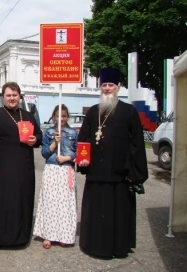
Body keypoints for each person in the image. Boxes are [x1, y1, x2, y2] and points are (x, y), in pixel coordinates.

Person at [77, 67, 148, 259]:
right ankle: (94, 246)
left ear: (118, 87)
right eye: (104, 85)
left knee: (117, 213)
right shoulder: (93, 112)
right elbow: (83, 139)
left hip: (119, 175)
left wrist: (133, 172)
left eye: (111, 85)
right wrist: (82, 159)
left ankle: (118, 247)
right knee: (97, 211)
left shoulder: (129, 111)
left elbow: (137, 144)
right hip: (96, 173)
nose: (107, 88)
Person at [0, 81, 42, 251]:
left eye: (15, 95)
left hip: (24, 170)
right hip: (2, 170)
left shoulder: (28, 116)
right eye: (8, 95)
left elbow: (39, 134)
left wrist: (36, 139)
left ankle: (21, 237)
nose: (12, 98)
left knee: (22, 202)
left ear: (19, 96)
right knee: (2, 204)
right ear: (3, 97)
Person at [33, 104, 78, 249]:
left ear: (67, 117)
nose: (61, 119)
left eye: (64, 116)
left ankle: (64, 235)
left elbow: (79, 152)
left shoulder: (73, 132)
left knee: (65, 203)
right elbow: (45, 153)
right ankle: (48, 234)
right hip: (52, 169)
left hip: (66, 170)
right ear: (54, 117)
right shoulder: (49, 132)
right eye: (58, 116)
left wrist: (67, 158)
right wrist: (54, 143)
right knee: (50, 201)